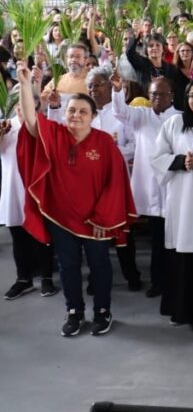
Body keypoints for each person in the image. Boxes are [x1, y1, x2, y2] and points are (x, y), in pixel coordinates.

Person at [15, 61, 135, 337]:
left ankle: (102, 312)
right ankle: (74, 312)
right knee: (68, 266)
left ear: (93, 116)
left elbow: (115, 184)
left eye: (83, 111)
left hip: (96, 221)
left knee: (99, 266)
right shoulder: (56, 135)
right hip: (62, 218)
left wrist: (104, 218)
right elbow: (32, 121)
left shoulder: (105, 143)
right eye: (71, 111)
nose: (76, 116)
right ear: (64, 114)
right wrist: (24, 83)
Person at [150, 79, 193, 326]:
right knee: (183, 250)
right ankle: (182, 309)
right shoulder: (174, 123)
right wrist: (181, 162)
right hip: (183, 197)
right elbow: (157, 157)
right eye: (191, 96)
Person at [111, 75, 182, 298]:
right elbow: (120, 112)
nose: (157, 98)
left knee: (173, 239)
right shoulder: (141, 115)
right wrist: (117, 91)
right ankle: (158, 281)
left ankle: (176, 281)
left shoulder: (180, 118)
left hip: (174, 186)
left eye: (162, 94)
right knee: (156, 238)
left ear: (171, 96)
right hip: (150, 187)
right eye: (153, 94)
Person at [1, 92, 59, 300]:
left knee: (41, 234)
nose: (20, 107)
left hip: (36, 189)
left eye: (24, 103)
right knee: (18, 236)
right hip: (13, 189)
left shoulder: (41, 125)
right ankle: (23, 279)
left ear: (34, 105)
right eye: (16, 103)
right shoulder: (6, 126)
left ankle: (46, 278)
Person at [124, 31, 190, 109]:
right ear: (146, 50)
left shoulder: (171, 68)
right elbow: (129, 53)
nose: (154, 48)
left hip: (167, 109)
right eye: (151, 46)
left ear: (163, 49)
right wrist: (136, 37)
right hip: (145, 107)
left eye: (158, 45)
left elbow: (185, 85)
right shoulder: (141, 63)